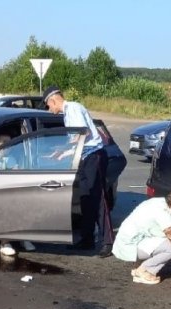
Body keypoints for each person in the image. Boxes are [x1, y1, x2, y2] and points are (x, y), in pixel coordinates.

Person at [42, 86, 114, 258]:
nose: (50, 110)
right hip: (84, 158)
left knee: (97, 199)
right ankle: (87, 239)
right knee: (86, 199)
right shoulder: (68, 113)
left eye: (48, 106)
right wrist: (62, 152)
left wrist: (63, 148)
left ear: (53, 100)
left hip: (93, 156)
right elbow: (77, 140)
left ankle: (108, 242)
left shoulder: (72, 108)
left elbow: (82, 133)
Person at [112, 188, 171, 284]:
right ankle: (144, 271)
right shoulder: (163, 214)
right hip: (130, 244)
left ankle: (141, 267)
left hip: (129, 238)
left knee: (167, 243)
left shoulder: (159, 202)